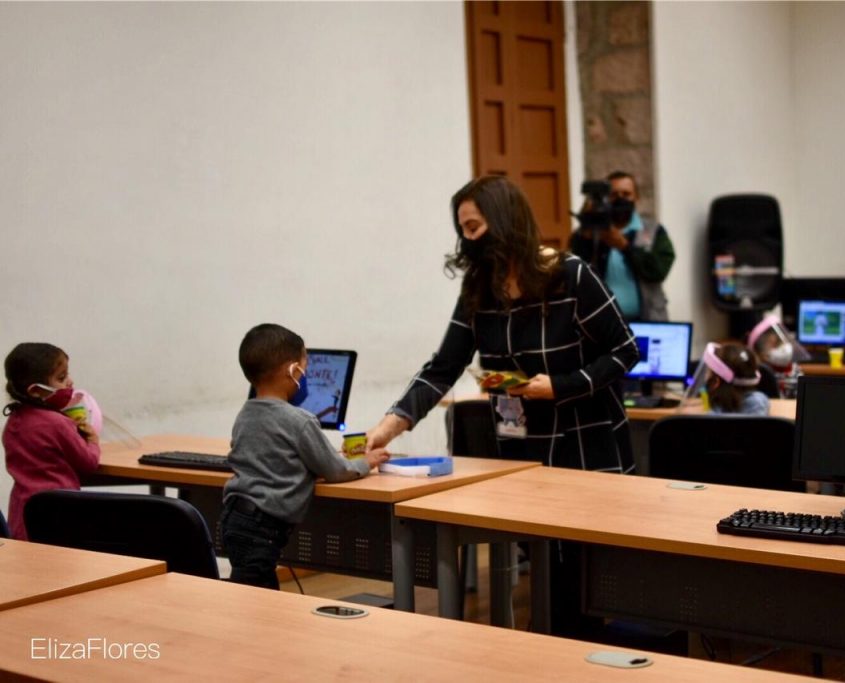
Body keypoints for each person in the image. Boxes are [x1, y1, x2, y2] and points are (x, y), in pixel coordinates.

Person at [366, 175, 638, 637]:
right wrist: (390, 425)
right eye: (463, 229)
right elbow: (443, 367)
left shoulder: (570, 276)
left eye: (473, 227)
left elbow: (625, 350)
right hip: (520, 451)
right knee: (546, 585)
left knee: (575, 587)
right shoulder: (479, 288)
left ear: (504, 221)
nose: (467, 240)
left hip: (587, 451)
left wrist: (563, 385)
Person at [221, 323, 388, 589]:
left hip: (234, 517)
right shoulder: (300, 420)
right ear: (293, 371)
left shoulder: (245, 414)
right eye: (305, 369)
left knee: (249, 590)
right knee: (257, 600)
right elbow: (335, 470)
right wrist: (365, 463)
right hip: (263, 529)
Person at [2, 342, 100, 540]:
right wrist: (92, 441)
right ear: (35, 391)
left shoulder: (13, 422)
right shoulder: (58, 423)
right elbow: (88, 463)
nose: (70, 382)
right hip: (58, 516)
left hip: (22, 514)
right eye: (61, 378)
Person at [569, 171, 674, 321]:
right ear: (605, 199)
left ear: (636, 197)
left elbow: (659, 270)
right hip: (603, 324)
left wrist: (625, 246)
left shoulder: (653, 230)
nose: (620, 199)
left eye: (626, 194)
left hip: (648, 320)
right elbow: (574, 272)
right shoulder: (589, 232)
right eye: (614, 195)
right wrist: (586, 233)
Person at [690, 342, 770, 415]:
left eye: (708, 372)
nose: (705, 376)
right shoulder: (758, 402)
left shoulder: (714, 410)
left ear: (715, 382)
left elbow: (707, 409)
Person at [747, 315, 809, 398]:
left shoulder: (795, 370)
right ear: (760, 353)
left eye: (779, 343)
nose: (783, 348)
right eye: (773, 345)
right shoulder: (762, 375)